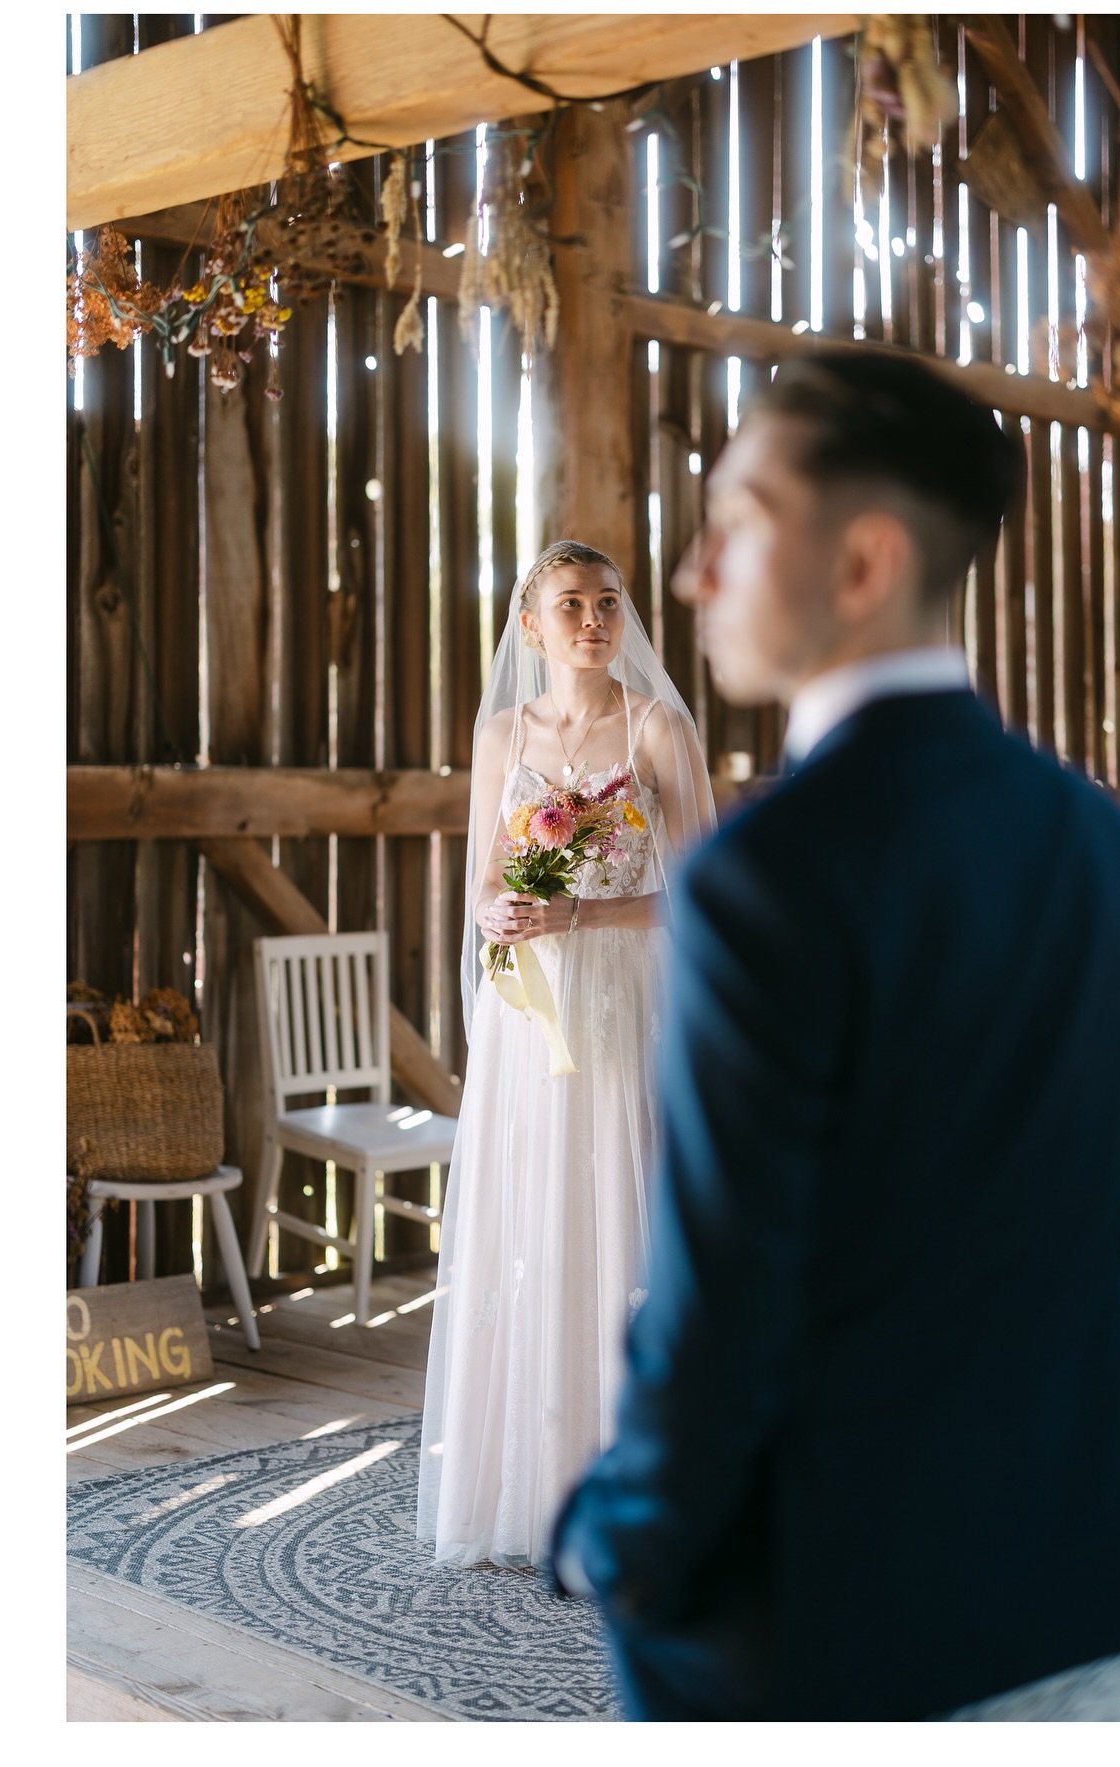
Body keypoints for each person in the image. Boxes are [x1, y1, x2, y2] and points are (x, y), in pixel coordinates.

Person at [549, 355, 1120, 1719]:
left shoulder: (769, 875)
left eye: (734, 519)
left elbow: (724, 1293)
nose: (690, 573)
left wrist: (626, 1542)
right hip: (1078, 1573)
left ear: (862, 559)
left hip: (830, 1606)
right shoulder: (1099, 840)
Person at [416, 540, 716, 1568]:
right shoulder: (503, 732)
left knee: (620, 1219)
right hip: (529, 1011)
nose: (593, 619)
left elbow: (700, 893)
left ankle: (640, 1484)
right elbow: (478, 891)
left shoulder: (657, 726)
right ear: (530, 626)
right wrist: (506, 911)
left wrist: (582, 909)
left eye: (607, 601)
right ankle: (530, 1485)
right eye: (570, 605)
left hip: (625, 998)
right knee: (535, 1217)